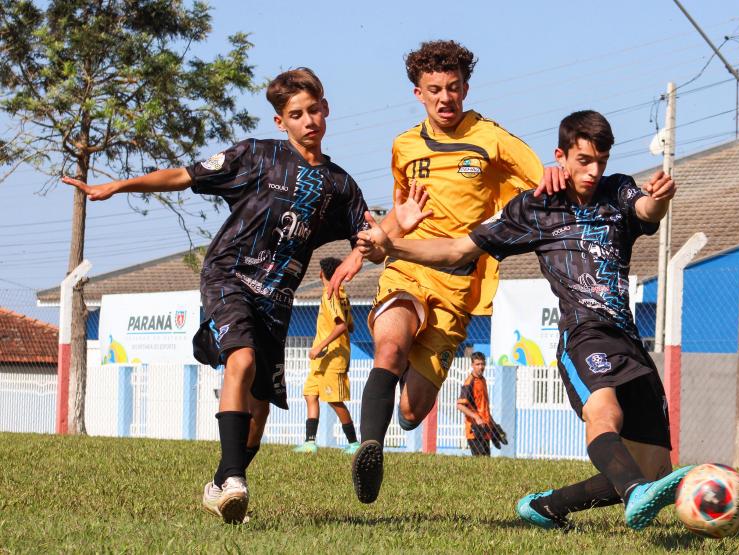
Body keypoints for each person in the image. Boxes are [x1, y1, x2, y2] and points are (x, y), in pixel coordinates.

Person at [61, 67, 424, 524]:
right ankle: (233, 479)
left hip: (277, 299)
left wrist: (396, 225)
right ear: (281, 122)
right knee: (242, 359)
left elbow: (368, 245)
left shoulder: (340, 186)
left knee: (259, 412)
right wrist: (116, 186)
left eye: (314, 110)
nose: (308, 120)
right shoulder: (255, 156)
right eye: (296, 114)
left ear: (326, 109)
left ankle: (222, 482)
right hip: (229, 275)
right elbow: (184, 175)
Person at [356, 110, 693, 530]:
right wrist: (395, 247)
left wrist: (659, 197)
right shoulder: (536, 207)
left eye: (601, 161)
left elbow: (646, 209)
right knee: (604, 413)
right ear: (561, 156)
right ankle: (634, 495)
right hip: (584, 334)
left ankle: (549, 506)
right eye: (584, 160)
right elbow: (460, 250)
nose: (593, 171)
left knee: (655, 470)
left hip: (629, 341)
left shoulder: (617, 189)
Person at [339, 39, 564, 504]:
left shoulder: (491, 138)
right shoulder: (403, 146)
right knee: (390, 346)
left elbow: (539, 175)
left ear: (466, 87)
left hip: (459, 285)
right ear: (418, 93)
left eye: (454, 88)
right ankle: (371, 450)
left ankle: (396, 406)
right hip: (407, 268)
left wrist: (556, 174)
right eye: (435, 89)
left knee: (412, 409)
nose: (446, 98)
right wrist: (365, 248)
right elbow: (399, 215)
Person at [293, 257, 360, 455]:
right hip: (322, 358)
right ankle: (310, 443)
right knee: (310, 394)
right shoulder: (341, 294)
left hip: (331, 356)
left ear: (323, 273)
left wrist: (320, 345)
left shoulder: (330, 295)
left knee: (334, 400)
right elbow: (351, 326)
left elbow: (341, 326)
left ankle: (354, 443)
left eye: (320, 270)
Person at [456, 352, 506, 457]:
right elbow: (460, 405)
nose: (481, 367)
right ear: (472, 365)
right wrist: (476, 417)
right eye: (477, 364)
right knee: (481, 462)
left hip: (485, 428)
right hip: (475, 429)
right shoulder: (469, 382)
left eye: (483, 364)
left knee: (486, 462)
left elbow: (483, 407)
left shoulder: (482, 380)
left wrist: (493, 424)